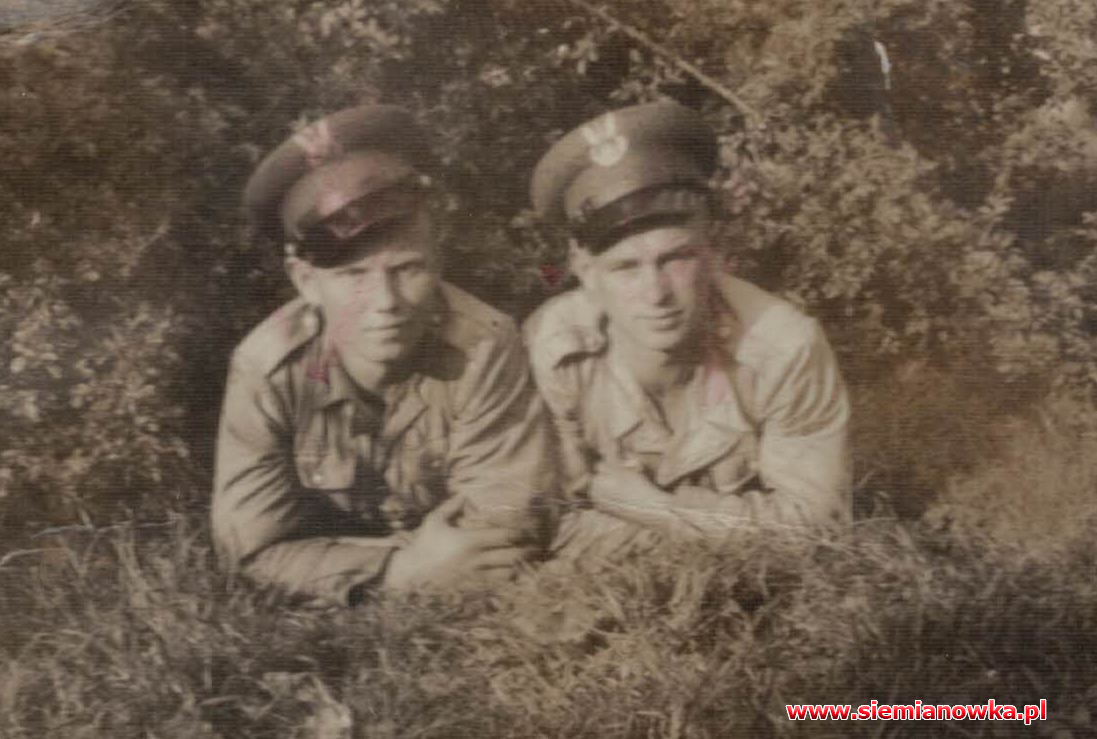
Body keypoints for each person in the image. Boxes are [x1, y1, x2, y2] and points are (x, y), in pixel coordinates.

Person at [212, 104, 556, 606]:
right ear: (306, 282)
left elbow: (504, 528)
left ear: (437, 260)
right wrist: (401, 572)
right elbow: (249, 553)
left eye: (407, 269)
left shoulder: (483, 344)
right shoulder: (267, 370)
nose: (386, 302)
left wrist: (330, 564)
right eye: (353, 276)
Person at [523, 100, 851, 560]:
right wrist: (727, 534)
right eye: (625, 268)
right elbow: (548, 524)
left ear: (712, 253)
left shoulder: (783, 347)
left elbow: (816, 529)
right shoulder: (553, 349)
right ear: (586, 272)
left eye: (675, 259)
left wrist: (657, 509)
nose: (655, 293)